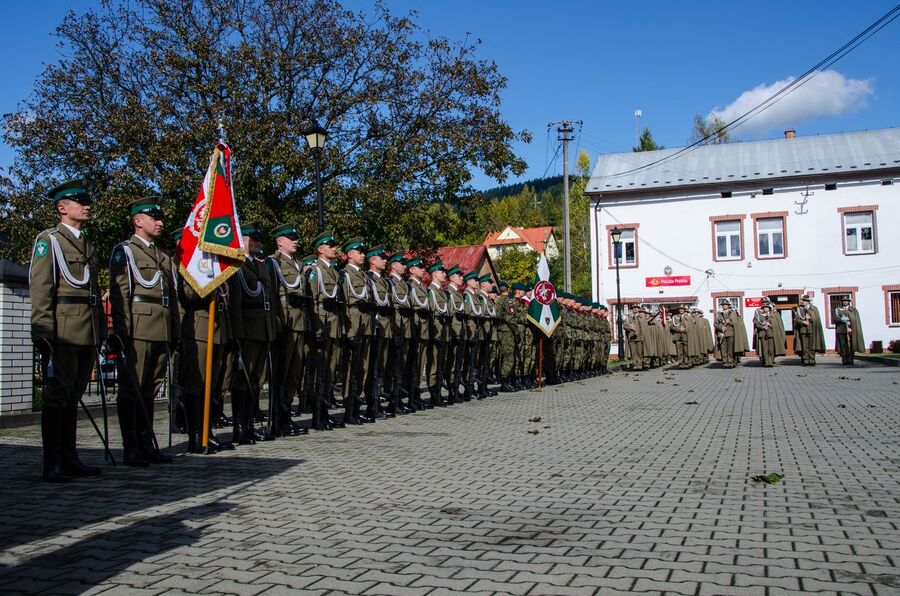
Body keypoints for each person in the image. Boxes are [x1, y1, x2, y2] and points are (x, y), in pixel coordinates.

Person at [29, 179, 105, 482]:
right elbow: (41, 287)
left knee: (74, 394)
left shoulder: (87, 244)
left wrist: (101, 329)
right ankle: (53, 461)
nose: (87, 206)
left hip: (86, 329)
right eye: (79, 201)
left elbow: (94, 292)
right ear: (62, 207)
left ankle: (71, 457)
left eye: (87, 201)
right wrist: (43, 331)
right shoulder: (50, 240)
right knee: (58, 396)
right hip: (63, 328)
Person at [108, 196, 179, 466]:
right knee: (132, 388)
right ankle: (131, 447)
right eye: (154, 218)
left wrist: (174, 332)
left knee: (150, 389)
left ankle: (147, 443)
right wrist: (121, 329)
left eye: (160, 218)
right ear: (138, 221)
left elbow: (170, 298)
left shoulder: (162, 256)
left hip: (160, 327)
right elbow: (120, 293)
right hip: (138, 327)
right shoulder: (125, 251)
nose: (160, 222)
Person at [229, 223, 280, 443]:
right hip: (248, 330)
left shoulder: (260, 266)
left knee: (257, 381)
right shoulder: (235, 265)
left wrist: (273, 328)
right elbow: (235, 303)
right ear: (242, 240)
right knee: (244, 381)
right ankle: (239, 427)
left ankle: (250, 424)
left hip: (263, 329)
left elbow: (270, 299)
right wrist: (238, 333)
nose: (258, 242)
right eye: (254, 238)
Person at [267, 223, 310, 437]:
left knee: (294, 373)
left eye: (296, 237)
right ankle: (277, 417)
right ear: (279, 241)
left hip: (299, 323)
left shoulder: (299, 265)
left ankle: (286, 413)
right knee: (281, 373)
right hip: (285, 323)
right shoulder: (273, 263)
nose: (295, 240)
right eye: (290, 237)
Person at [307, 232, 346, 430]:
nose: (334, 248)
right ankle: (316, 414)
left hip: (335, 327)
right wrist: (316, 328)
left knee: (330, 371)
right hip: (322, 325)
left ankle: (325, 412)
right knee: (319, 372)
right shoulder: (315, 271)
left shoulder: (335, 272)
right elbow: (313, 301)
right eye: (329, 245)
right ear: (320, 249)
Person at [340, 237, 373, 424]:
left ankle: (356, 404)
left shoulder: (364, 276)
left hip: (365, 325)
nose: (363, 255)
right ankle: (348, 407)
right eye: (359, 252)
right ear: (350, 255)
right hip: (353, 324)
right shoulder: (344, 275)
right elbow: (344, 304)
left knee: (364, 368)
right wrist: (349, 331)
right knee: (351, 368)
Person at [365, 244, 395, 420]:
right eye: (382, 258)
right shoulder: (369, 279)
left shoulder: (384, 281)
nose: (385, 261)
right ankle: (372, 405)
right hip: (375, 327)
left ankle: (378, 403)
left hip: (385, 329)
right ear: (372, 260)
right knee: (373, 369)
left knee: (381, 368)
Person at [386, 252, 412, 414]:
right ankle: (391, 400)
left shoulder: (404, 284)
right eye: (401, 263)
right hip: (395, 327)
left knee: (401, 365)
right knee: (392, 366)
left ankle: (398, 399)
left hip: (405, 329)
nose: (404, 266)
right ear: (393, 265)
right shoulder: (389, 283)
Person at [406, 256, 431, 410]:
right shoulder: (410, 286)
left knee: (419, 363)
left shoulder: (421, 286)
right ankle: (410, 396)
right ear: (412, 269)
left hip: (423, 330)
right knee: (413, 365)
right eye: (420, 267)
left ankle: (415, 394)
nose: (423, 270)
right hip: (415, 329)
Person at [426, 261, 450, 406]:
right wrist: (435, 334)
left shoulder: (442, 292)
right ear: (435, 273)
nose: (444, 274)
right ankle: (433, 393)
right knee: (434, 364)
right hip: (436, 332)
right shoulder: (431, 292)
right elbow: (432, 314)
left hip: (444, 332)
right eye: (442, 272)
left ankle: (439, 392)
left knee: (441, 364)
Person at [444, 265, 467, 402]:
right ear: (452, 278)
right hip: (454, 332)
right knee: (452, 363)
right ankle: (452, 390)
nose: (462, 278)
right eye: (459, 276)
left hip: (460, 331)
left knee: (459, 363)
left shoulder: (458, 294)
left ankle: (456, 389)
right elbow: (451, 314)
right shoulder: (449, 293)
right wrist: (454, 332)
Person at [714, 300, 749, 368]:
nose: (724, 306)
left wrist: (729, 322)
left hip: (730, 333)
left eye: (725, 305)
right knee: (723, 349)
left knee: (730, 348)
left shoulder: (732, 313)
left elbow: (736, 323)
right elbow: (715, 324)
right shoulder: (719, 314)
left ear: (728, 305)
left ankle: (730, 361)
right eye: (723, 305)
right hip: (722, 334)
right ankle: (725, 362)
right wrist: (721, 327)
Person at [794, 294, 825, 366]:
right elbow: (796, 319)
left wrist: (811, 318)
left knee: (811, 345)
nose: (803, 302)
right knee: (804, 346)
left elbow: (817, 319)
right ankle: (805, 360)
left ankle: (812, 359)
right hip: (803, 330)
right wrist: (802, 322)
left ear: (808, 301)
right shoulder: (800, 309)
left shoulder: (814, 308)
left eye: (805, 301)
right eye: (803, 301)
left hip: (811, 329)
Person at [834, 296, 865, 365]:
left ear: (849, 302)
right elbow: (835, 319)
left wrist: (850, 322)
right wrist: (841, 320)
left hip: (851, 330)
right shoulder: (838, 309)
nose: (845, 302)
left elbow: (855, 320)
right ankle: (844, 360)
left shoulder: (853, 310)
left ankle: (851, 360)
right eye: (843, 301)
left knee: (851, 345)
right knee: (843, 346)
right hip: (841, 330)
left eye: (846, 301)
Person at [753, 302, 777, 367]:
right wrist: (763, 326)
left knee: (771, 349)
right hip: (763, 334)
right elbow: (757, 324)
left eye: (767, 308)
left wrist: (770, 324)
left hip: (771, 334)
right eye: (764, 308)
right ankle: (767, 362)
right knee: (765, 349)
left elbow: (776, 325)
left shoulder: (772, 315)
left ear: (769, 309)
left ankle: (771, 362)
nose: (766, 309)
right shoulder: (760, 316)